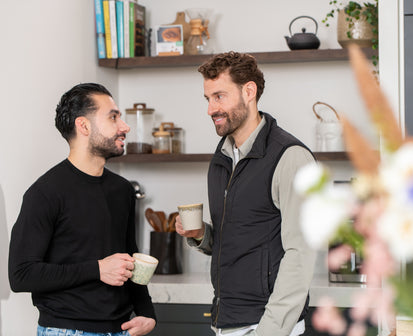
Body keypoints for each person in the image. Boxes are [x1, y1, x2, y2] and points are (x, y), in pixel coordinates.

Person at [175, 51, 317, 336]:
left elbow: (300, 255)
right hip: (226, 321)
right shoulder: (222, 157)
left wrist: (269, 331)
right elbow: (240, 238)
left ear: (249, 91)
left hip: (266, 326)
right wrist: (201, 235)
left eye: (219, 96)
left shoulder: (290, 158)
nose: (210, 109)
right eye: (208, 99)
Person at [8, 83, 156, 336]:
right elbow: (21, 275)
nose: (125, 127)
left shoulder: (121, 190)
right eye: (113, 117)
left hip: (121, 329)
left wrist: (147, 312)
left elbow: (129, 258)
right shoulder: (45, 193)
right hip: (66, 330)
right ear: (84, 126)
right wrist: (97, 269)